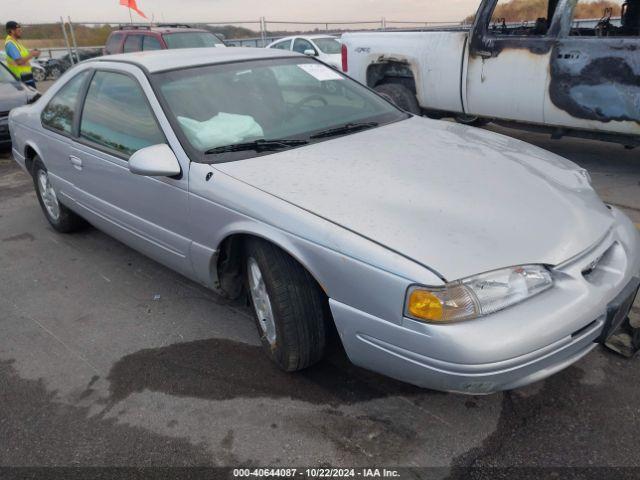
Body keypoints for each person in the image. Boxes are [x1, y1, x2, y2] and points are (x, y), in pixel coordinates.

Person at [4, 21, 40, 88]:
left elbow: (24, 56)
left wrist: (33, 53)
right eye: (19, 30)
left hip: (27, 78)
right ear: (12, 31)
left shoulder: (16, 42)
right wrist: (31, 55)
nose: (21, 32)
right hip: (21, 80)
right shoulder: (10, 44)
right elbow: (19, 61)